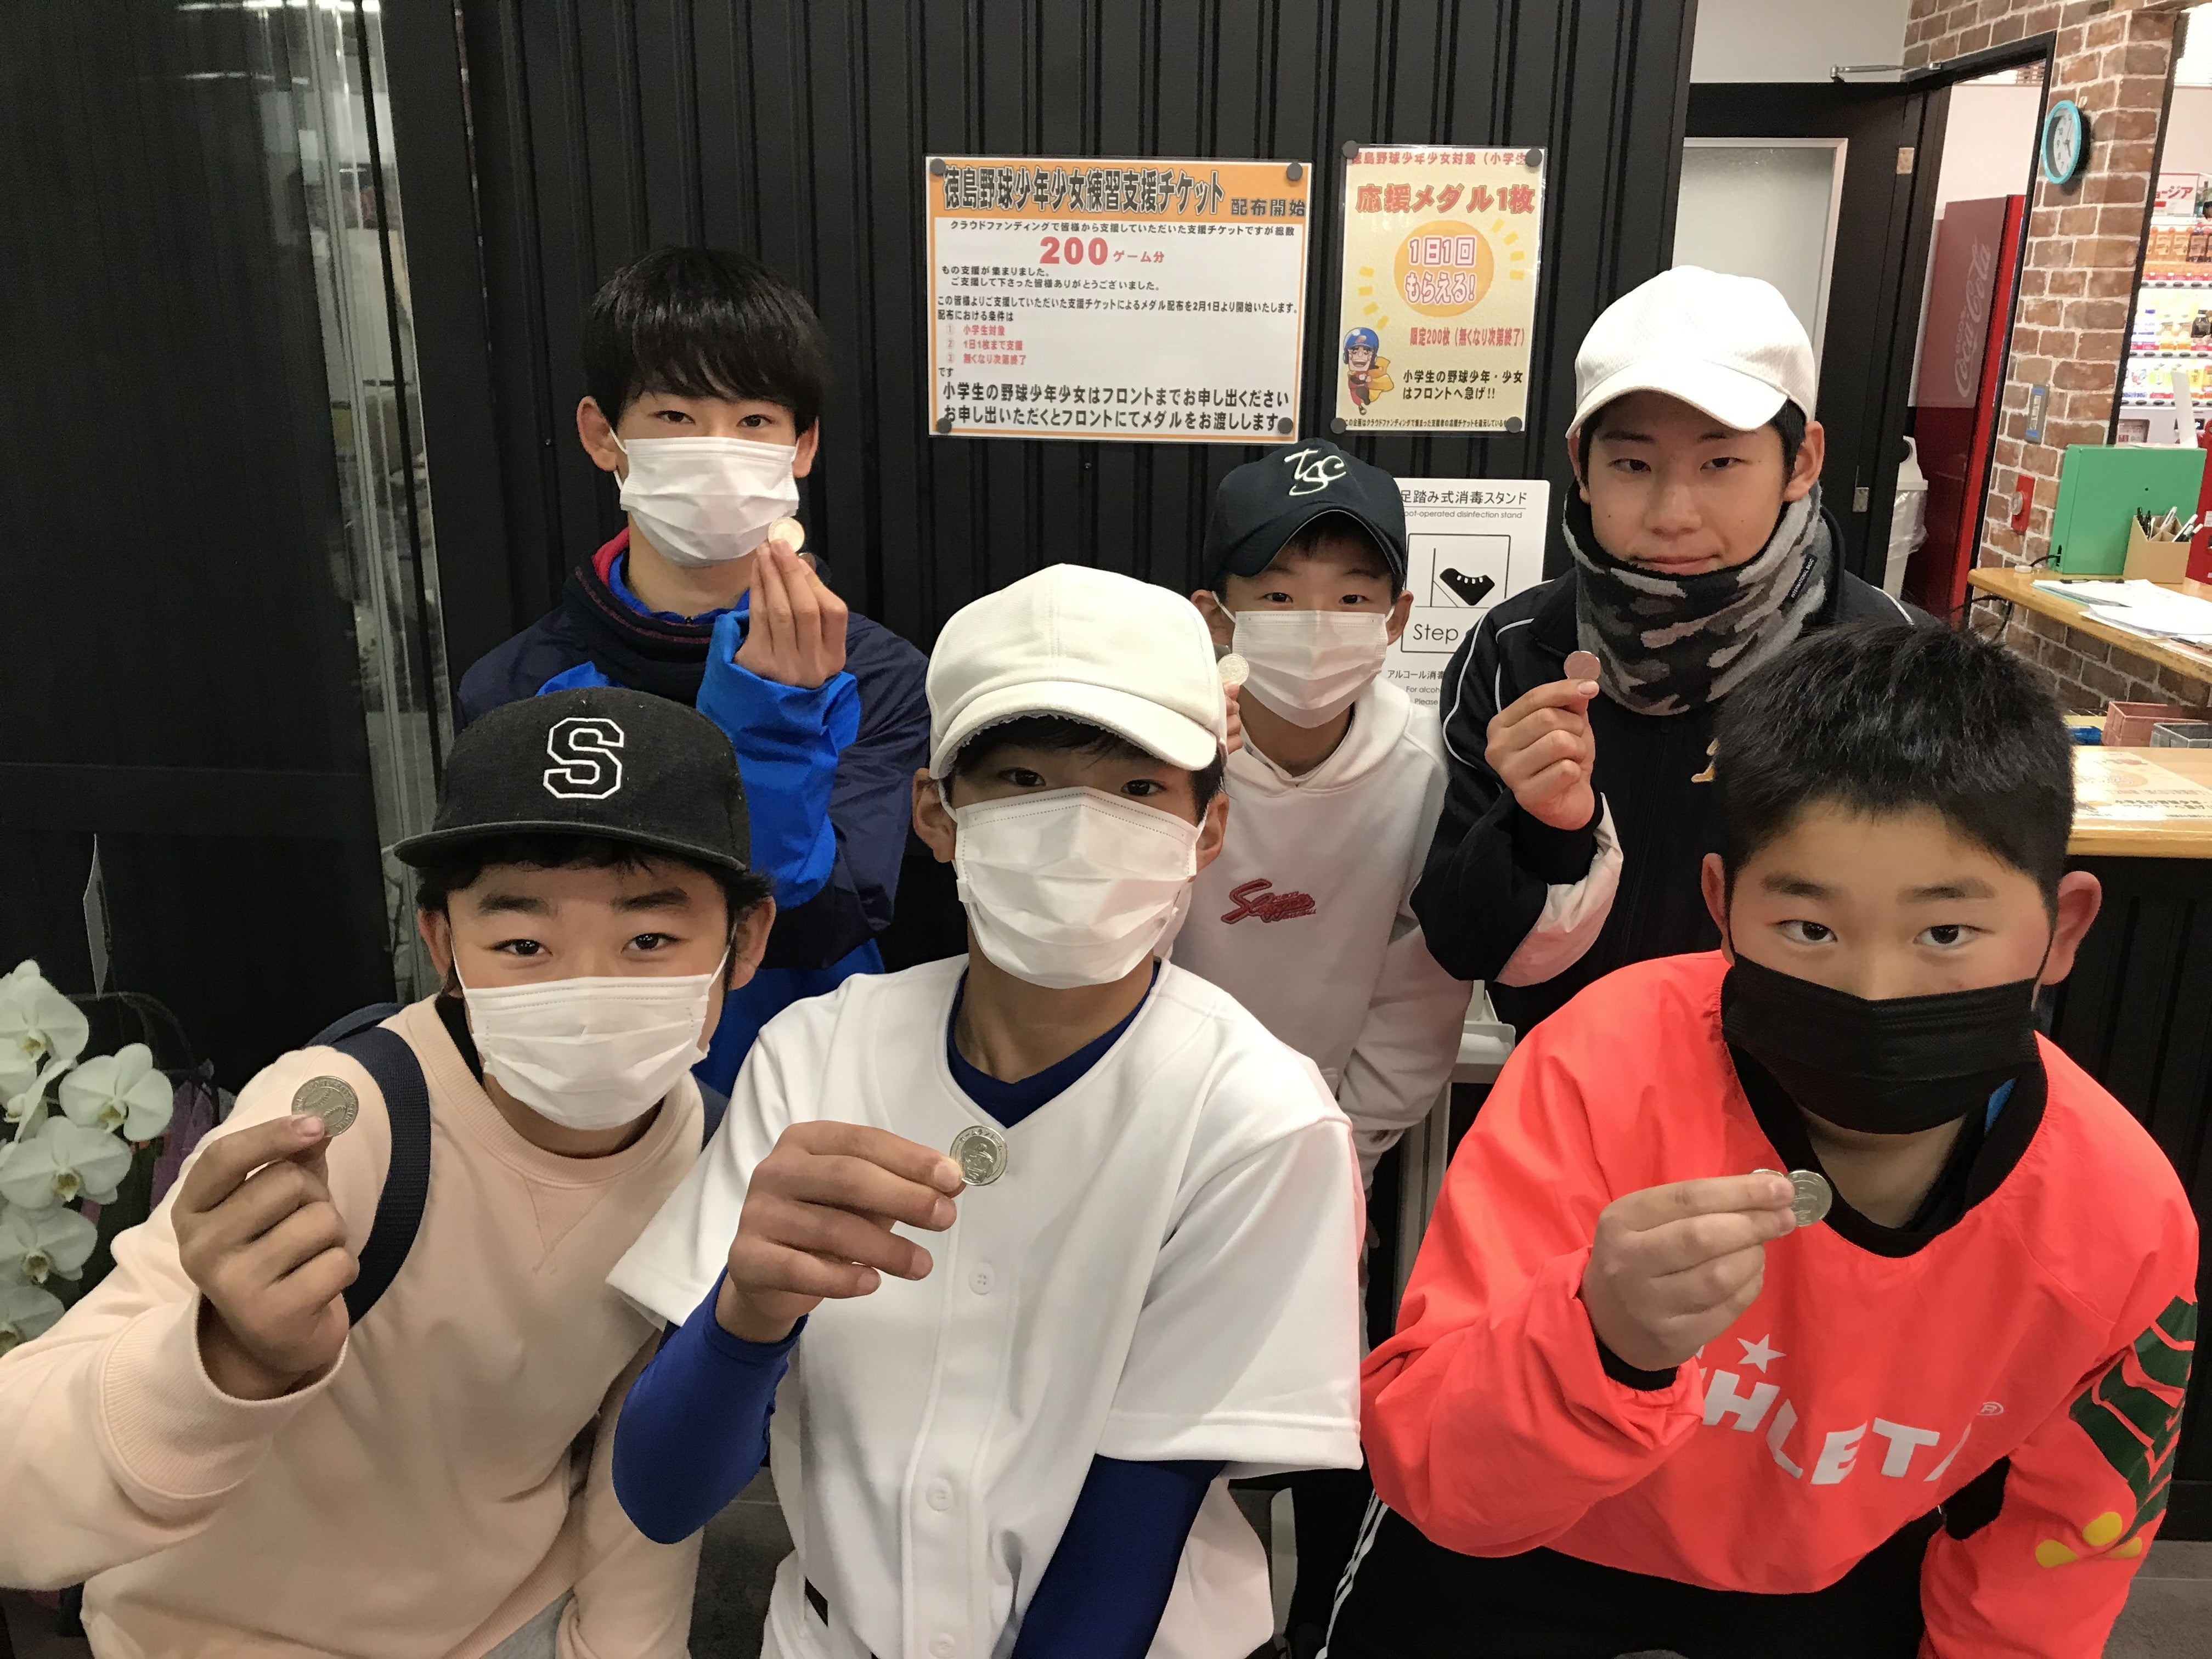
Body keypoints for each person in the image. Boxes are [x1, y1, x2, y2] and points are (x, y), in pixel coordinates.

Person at [1331, 624, 2198, 1658]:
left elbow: (2058, 1543)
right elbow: (1435, 1468)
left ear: (2063, 929)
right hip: (1523, 1546)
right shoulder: (1603, 1066)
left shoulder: (2119, 1217)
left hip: (1829, 1576)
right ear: (1722, 908)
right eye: (1810, 930)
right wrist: (1599, 1341)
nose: (1875, 991)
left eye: (1946, 934)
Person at [604, 565, 1364, 1659]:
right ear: (938, 815)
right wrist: (744, 1315)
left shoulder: (1258, 1118)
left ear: (1208, 831)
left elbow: (1131, 1535)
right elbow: (663, 1495)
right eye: (1022, 779)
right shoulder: (818, 1055)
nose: (1079, 826)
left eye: (1136, 788)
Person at [0, 686, 778, 1658]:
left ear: (745, 941)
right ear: (444, 945)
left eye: (650, 940)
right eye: (524, 944)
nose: (588, 993)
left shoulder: (709, 1157)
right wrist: (222, 1359)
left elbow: (637, 1467)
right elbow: (18, 1491)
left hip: (504, 1621)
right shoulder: (338, 1121)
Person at [458, 246, 929, 1093]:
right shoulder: (516, 685)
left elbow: (823, 924)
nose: (716, 450)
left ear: (803, 445)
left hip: (812, 1082)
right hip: (591, 1092)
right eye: (675, 416)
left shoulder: (877, 674)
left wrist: (778, 724)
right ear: (603, 435)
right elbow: (515, 931)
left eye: (754, 421)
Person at [1410, 266, 1920, 1035]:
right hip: (1571, 1072)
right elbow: (1463, 945)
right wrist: (1547, 829)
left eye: (1721, 463)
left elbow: (1951, 940)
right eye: (1633, 464)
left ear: (1802, 461)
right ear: (1582, 465)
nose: (1672, 515)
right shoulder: (1518, 650)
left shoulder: (1897, 665)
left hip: (1800, 1086)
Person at [1177, 440, 1470, 1656]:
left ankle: (1315, 1629)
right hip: (1165, 1131)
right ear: (1217, 613)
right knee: (1172, 1412)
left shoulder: (1424, 772)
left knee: (1322, 1407)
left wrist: (1335, 1155)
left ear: (1397, 617)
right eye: (1280, 592)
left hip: (1333, 1144)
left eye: (1353, 595)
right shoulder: (1170, 748)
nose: (1318, 623)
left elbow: (1418, 993)